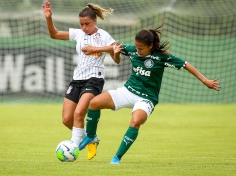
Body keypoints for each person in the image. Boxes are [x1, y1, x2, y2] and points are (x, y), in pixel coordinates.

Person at [78, 23, 221, 164]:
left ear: (150, 46)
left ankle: (117, 158)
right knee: (94, 103)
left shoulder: (162, 58)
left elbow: (185, 65)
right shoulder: (133, 50)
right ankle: (91, 136)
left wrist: (204, 80)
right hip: (128, 91)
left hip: (146, 98)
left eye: (141, 48)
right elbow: (114, 49)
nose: (137, 50)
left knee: (136, 121)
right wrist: (95, 49)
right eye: (136, 47)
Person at [42, 0, 121, 160]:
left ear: (94, 21)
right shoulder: (78, 34)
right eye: (81, 24)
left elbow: (116, 57)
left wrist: (99, 49)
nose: (84, 27)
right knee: (66, 119)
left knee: (79, 113)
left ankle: (73, 150)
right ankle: (92, 138)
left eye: (87, 24)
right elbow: (54, 34)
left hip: (94, 79)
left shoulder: (104, 35)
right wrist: (49, 18)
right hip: (77, 79)